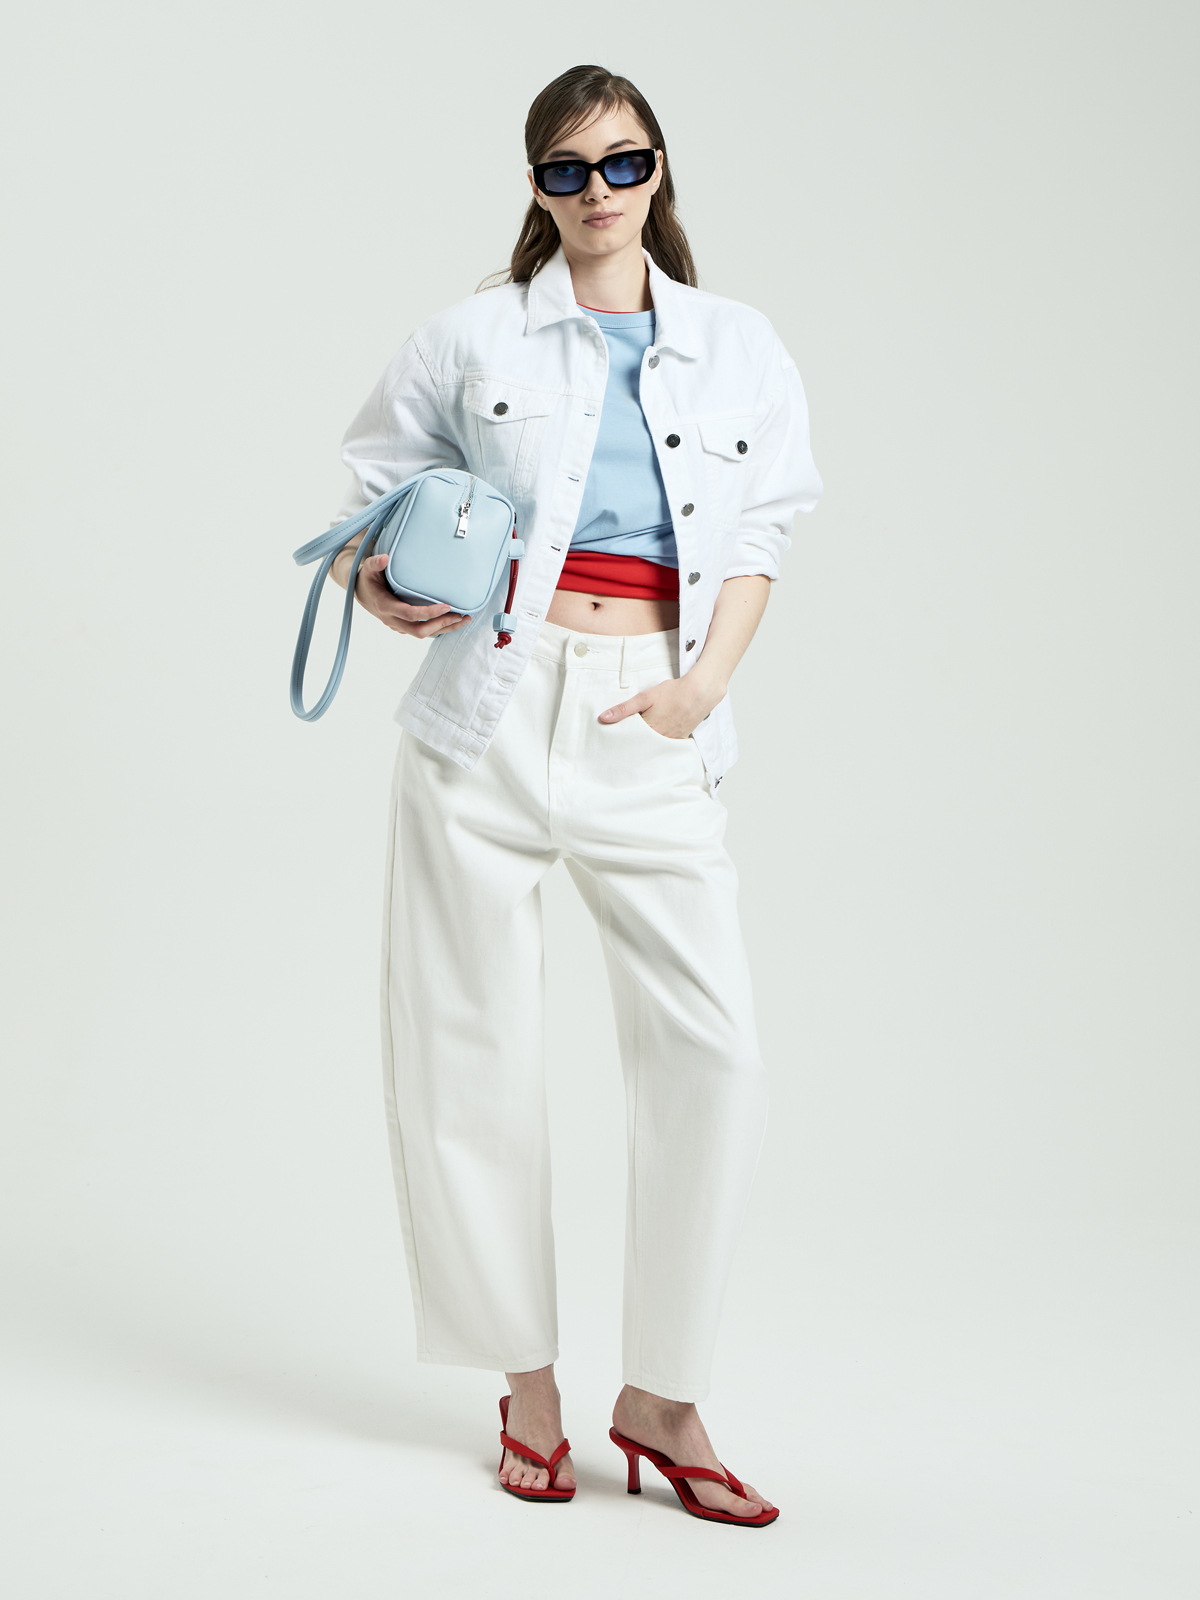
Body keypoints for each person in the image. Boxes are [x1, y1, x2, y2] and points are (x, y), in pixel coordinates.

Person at [327, 64, 821, 1525]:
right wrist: (373, 581)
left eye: (621, 163)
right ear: (534, 185)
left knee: (715, 1052)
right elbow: (369, 489)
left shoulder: (739, 345)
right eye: (565, 168)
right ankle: (526, 1385)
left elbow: (762, 534)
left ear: (659, 171)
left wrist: (701, 689)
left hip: (649, 711)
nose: (596, 192)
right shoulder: (472, 335)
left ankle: (662, 1395)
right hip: (485, 706)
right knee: (470, 1047)